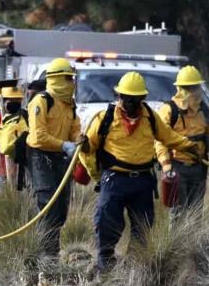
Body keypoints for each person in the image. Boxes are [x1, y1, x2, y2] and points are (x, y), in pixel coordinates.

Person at [80, 72, 201, 273]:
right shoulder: (105, 118)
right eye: (124, 97)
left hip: (143, 181)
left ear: (141, 99)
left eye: (132, 99)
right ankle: (104, 264)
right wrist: (96, 175)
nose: (127, 102)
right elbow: (87, 149)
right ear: (118, 95)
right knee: (107, 220)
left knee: (143, 225)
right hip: (114, 179)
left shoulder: (150, 118)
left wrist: (190, 146)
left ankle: (136, 268)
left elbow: (169, 137)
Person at [26, 58, 81, 259]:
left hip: (61, 159)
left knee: (61, 208)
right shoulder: (41, 102)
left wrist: (77, 140)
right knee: (48, 203)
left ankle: (52, 251)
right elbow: (38, 136)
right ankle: (45, 255)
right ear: (57, 78)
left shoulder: (69, 104)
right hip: (40, 158)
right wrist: (63, 144)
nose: (72, 83)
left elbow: (74, 128)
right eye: (68, 78)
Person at [155, 65, 209, 220]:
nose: (192, 91)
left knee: (195, 214)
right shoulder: (169, 110)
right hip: (176, 168)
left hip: (199, 168)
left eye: (194, 87)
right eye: (188, 87)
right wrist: (166, 166)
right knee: (177, 214)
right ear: (180, 88)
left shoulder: (204, 111)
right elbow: (160, 141)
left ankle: (192, 244)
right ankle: (176, 244)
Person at [0, 85, 28, 190]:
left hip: (21, 170)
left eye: (17, 100)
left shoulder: (25, 117)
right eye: (12, 100)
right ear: (4, 102)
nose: (15, 103)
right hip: (1, 170)